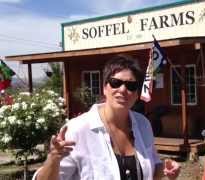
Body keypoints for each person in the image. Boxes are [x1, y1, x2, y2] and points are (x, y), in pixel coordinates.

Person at [33, 55, 180, 180]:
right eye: (116, 83)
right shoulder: (78, 129)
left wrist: (167, 170)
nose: (123, 90)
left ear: (136, 93)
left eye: (131, 86)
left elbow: (153, 165)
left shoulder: (143, 124)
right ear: (105, 87)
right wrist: (54, 158)